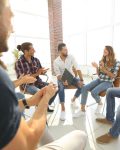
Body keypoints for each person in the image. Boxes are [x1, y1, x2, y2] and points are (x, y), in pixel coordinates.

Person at [0, 1, 87, 149]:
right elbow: (27, 143)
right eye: (8, 9)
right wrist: (44, 97)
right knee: (81, 136)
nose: (12, 14)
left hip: (40, 83)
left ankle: (46, 106)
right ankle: (45, 107)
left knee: (53, 87)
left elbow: (40, 72)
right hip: (29, 86)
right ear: (26, 51)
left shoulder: (37, 59)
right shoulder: (15, 67)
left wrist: (31, 100)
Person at [73, 46, 120, 118]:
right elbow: (99, 74)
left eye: (105, 50)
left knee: (94, 92)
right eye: (104, 50)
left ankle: (100, 103)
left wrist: (104, 68)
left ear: (110, 51)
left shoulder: (116, 62)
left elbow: (113, 76)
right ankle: (82, 110)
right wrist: (96, 67)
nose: (104, 51)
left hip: (108, 82)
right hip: (99, 80)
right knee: (84, 88)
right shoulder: (102, 61)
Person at [15, 42, 57, 112]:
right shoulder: (19, 63)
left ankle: (44, 105)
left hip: (38, 82)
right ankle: (42, 108)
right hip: (27, 86)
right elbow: (21, 79)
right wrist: (37, 73)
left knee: (55, 88)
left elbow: (39, 71)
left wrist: (43, 72)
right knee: (40, 93)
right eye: (32, 49)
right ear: (26, 51)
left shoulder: (36, 60)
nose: (34, 51)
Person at [53, 43, 84, 121]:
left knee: (82, 86)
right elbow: (58, 74)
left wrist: (81, 80)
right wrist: (63, 81)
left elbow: (77, 68)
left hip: (71, 77)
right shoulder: (56, 61)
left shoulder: (71, 57)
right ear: (60, 51)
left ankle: (73, 99)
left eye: (67, 49)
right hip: (61, 78)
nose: (67, 51)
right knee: (61, 88)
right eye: (65, 50)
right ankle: (63, 109)